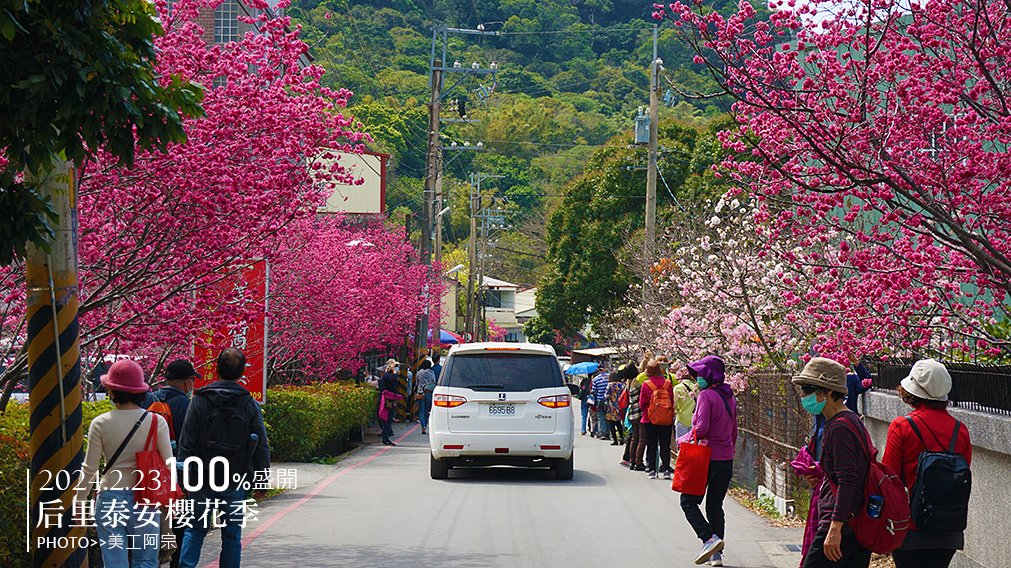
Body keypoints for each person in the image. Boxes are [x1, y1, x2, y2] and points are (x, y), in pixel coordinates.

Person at [177, 348, 270, 568]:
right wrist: (261, 480)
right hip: (235, 478)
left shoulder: (200, 400)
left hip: (201, 478)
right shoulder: (248, 403)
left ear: (216, 370)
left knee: (195, 529)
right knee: (231, 535)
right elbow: (261, 445)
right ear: (240, 374)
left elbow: (187, 442)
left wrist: (183, 478)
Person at [79, 359, 173, 568]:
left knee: (114, 561)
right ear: (139, 391)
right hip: (145, 498)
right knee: (146, 560)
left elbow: (90, 468)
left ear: (112, 390)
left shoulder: (100, 423)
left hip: (110, 495)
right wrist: (171, 502)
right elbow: (169, 465)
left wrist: (79, 502)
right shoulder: (157, 422)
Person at [881, 359, 972, 568]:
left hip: (911, 527)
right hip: (949, 528)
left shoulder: (902, 426)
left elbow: (889, 479)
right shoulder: (961, 430)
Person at [792, 357, 872, 568]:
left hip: (842, 524)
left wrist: (835, 528)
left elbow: (849, 480)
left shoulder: (839, 428)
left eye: (808, 389)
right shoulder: (849, 420)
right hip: (853, 522)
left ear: (828, 392)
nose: (803, 395)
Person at [678, 355, 738, 566]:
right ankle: (716, 555)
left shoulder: (706, 396)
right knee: (715, 505)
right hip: (726, 458)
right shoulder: (730, 396)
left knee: (688, 501)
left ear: (710, 374)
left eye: (701, 374)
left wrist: (683, 439)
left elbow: (701, 429)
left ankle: (708, 538)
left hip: (706, 458)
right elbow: (733, 432)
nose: (698, 379)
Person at [144, 359, 198, 568]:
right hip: (179, 478)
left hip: (149, 474)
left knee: (151, 525)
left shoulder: (148, 399)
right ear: (187, 382)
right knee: (180, 525)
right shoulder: (188, 405)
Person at [638, 359, 675, 480]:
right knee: (665, 444)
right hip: (666, 419)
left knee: (652, 444)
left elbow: (642, 404)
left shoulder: (646, 384)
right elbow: (672, 401)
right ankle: (666, 470)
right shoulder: (668, 384)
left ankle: (652, 470)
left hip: (650, 419)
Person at [623, 363, 646, 470]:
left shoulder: (628, 382)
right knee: (642, 439)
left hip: (632, 413)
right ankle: (638, 462)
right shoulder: (636, 382)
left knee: (634, 438)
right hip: (639, 413)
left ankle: (632, 462)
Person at [378, 359, 403, 445]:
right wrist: (395, 372)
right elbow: (392, 379)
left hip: (391, 398)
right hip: (388, 399)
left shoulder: (389, 375)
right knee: (387, 419)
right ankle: (385, 438)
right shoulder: (387, 375)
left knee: (389, 419)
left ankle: (386, 437)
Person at [673, 365, 699, 443]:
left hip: (681, 418)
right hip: (694, 419)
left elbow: (675, 405)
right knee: (692, 444)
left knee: (681, 444)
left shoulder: (678, 388)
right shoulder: (696, 388)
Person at [604, 371, 627, 446]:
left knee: (612, 424)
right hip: (620, 406)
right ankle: (621, 437)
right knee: (619, 423)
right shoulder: (622, 385)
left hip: (611, 406)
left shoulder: (610, 385)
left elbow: (606, 395)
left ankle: (615, 440)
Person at [415, 359, 437, 435]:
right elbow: (434, 381)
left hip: (420, 393)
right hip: (429, 393)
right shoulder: (432, 372)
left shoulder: (419, 373)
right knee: (427, 411)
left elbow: (417, 383)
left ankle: (423, 426)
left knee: (421, 411)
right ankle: (426, 425)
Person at [591, 368, 610, 439]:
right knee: (608, 416)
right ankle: (608, 433)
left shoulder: (595, 379)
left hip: (600, 400)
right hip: (608, 400)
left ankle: (603, 433)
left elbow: (593, 391)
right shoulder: (609, 377)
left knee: (601, 417)